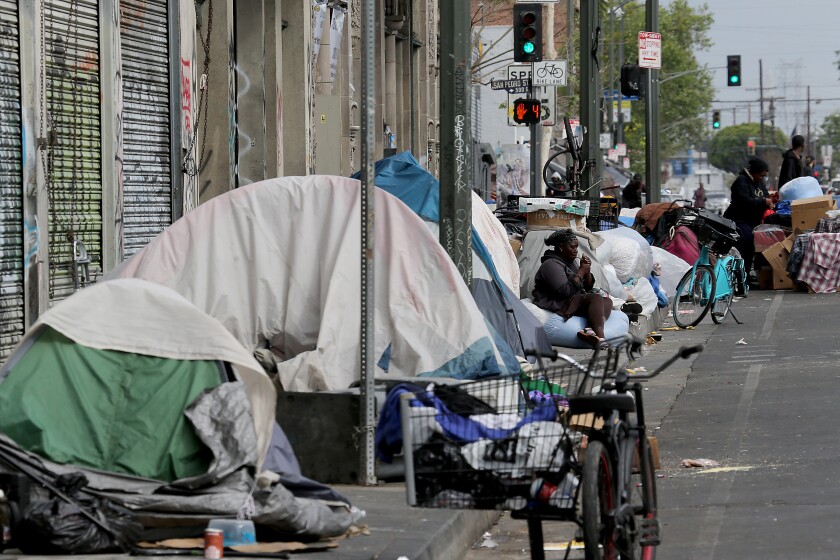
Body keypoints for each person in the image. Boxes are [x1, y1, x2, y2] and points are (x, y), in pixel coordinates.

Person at [531, 229, 613, 348]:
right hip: (557, 301)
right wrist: (581, 271)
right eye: (572, 247)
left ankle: (588, 330)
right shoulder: (550, 265)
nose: (576, 251)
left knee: (606, 301)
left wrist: (587, 271)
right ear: (561, 247)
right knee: (594, 298)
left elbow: (587, 287)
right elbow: (564, 291)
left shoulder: (570, 262)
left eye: (577, 247)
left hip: (573, 299)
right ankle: (601, 338)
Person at [723, 157, 774, 280]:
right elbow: (744, 202)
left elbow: (765, 195)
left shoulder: (759, 183)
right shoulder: (741, 182)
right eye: (761, 175)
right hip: (738, 220)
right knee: (747, 243)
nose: (762, 178)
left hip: (753, 221)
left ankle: (745, 276)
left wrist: (770, 200)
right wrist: (763, 202)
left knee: (753, 246)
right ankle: (740, 277)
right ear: (754, 172)